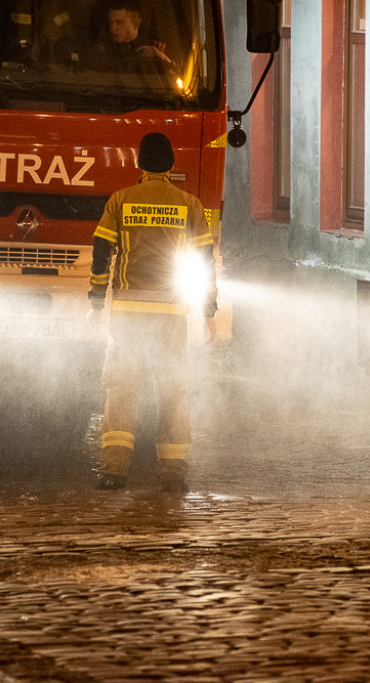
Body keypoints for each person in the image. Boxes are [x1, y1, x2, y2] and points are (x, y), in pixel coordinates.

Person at [88, 133, 217, 493]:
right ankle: (172, 474)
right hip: (170, 314)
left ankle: (114, 471)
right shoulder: (189, 204)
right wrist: (208, 311)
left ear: (139, 164)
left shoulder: (121, 200)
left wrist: (97, 303)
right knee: (174, 390)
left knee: (123, 389)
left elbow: (102, 256)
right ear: (172, 165)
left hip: (128, 313)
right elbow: (205, 261)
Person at [88, 1, 172, 71]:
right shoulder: (103, 49)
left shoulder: (156, 48)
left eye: (119, 23)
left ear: (136, 22)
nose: (113, 28)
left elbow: (175, 75)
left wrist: (161, 57)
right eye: (111, 23)